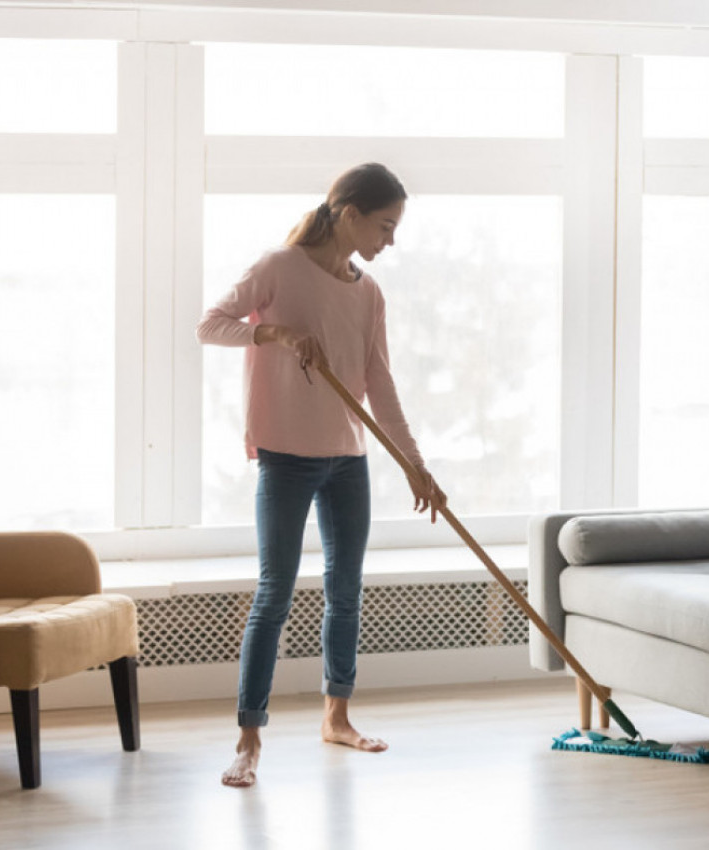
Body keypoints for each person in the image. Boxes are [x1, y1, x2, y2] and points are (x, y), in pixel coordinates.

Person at [196, 162, 445, 788]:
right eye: (385, 225)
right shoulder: (278, 268)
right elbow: (211, 325)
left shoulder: (368, 293)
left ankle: (337, 715)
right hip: (285, 456)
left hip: (347, 460)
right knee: (274, 593)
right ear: (349, 213)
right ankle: (249, 738)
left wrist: (416, 466)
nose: (390, 240)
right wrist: (273, 332)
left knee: (346, 590)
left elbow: (379, 385)